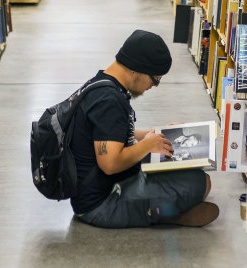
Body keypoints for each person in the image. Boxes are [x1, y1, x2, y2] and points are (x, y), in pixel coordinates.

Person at [69, 29, 219, 228]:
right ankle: (164, 215)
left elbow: (109, 134)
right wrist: (148, 145)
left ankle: (160, 211)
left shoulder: (102, 83)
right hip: (102, 204)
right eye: (155, 79)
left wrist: (152, 135)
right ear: (136, 69)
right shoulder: (109, 102)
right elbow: (110, 164)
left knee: (193, 177)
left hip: (99, 190)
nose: (155, 85)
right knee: (199, 183)